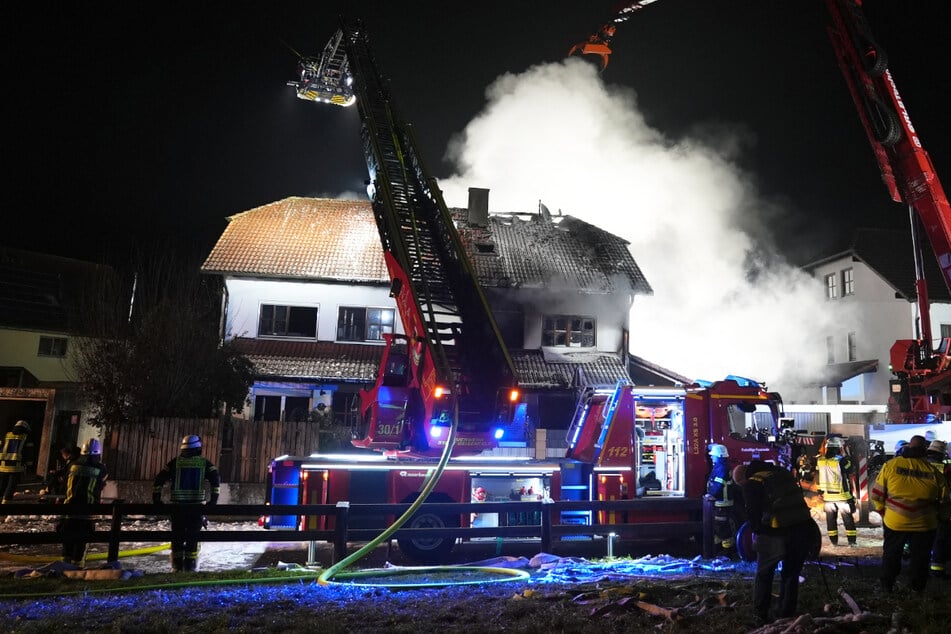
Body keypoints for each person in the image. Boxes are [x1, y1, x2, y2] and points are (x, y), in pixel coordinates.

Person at [733, 461, 816, 625]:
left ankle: (760, 615)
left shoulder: (753, 483)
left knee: (764, 574)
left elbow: (754, 515)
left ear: (744, 478)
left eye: (741, 485)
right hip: (802, 528)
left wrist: (758, 535)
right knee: (791, 574)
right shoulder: (782, 472)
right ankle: (786, 613)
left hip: (777, 533)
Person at [871, 434, 950, 593]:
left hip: (895, 521)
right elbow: (945, 501)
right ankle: (916, 589)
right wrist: (941, 518)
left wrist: (883, 512)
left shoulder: (891, 465)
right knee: (920, 559)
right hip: (925, 524)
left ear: (907, 448)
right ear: (924, 451)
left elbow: (876, 495)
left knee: (891, 555)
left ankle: (886, 586)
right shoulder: (934, 472)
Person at [153, 435, 220, 572]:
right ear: (198, 448)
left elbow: (159, 480)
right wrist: (213, 501)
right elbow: (215, 479)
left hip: (177, 508)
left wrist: (157, 499)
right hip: (196, 508)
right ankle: (190, 566)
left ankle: (177, 566)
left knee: (177, 537)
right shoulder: (204, 463)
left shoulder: (174, 463)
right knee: (193, 537)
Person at [59, 439, 109, 566]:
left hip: (68, 510)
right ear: (98, 453)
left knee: (67, 544)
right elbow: (101, 484)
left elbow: (64, 484)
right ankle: (77, 568)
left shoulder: (71, 465)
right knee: (81, 544)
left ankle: (64, 568)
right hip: (87, 512)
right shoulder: (101, 469)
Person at [815, 435, 857, 547]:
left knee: (831, 522)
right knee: (848, 521)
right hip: (842, 496)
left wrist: (820, 491)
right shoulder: (841, 461)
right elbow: (851, 469)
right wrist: (847, 456)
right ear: (838, 448)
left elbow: (818, 476)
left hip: (828, 498)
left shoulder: (820, 461)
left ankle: (834, 542)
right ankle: (852, 542)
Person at [706, 443, 739, 551]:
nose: (711, 457)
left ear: (719, 456)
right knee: (719, 526)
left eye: (713, 455)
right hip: (721, 501)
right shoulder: (721, 466)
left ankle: (727, 552)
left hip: (722, 502)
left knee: (722, 527)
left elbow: (718, 484)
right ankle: (719, 549)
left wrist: (711, 494)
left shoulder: (721, 468)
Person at [926, 439, 951, 578]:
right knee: (940, 538)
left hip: (921, 507)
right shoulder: (945, 469)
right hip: (940, 508)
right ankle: (937, 568)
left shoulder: (921, 465)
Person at [0, 420, 35, 503]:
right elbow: (29, 453)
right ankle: (5, 501)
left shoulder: (6, 435)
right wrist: (29, 465)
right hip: (16, 466)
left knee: (2, 484)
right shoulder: (26, 437)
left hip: (3, 465)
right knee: (11, 485)